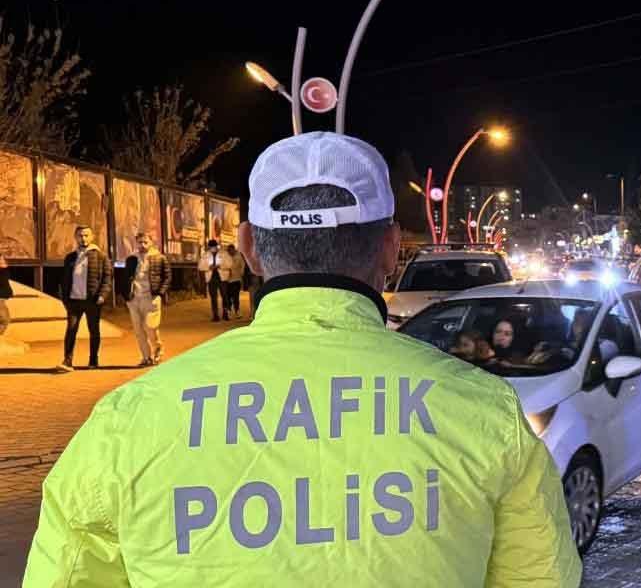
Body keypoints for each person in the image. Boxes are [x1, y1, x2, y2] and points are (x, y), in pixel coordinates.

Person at [25, 132, 581, 586]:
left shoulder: (132, 419)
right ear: (390, 248)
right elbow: (539, 577)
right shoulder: (484, 411)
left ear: (247, 246)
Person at [57, 226, 111, 372]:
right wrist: (65, 299)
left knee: (93, 330)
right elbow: (64, 279)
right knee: (71, 330)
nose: (83, 238)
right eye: (80, 235)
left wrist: (102, 295)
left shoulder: (101, 256)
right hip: (74, 301)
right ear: (75, 237)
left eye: (86, 235)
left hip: (92, 301)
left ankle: (93, 360)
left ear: (92, 236)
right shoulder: (70, 257)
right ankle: (67, 361)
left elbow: (107, 278)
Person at [122, 232, 171, 366]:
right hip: (134, 299)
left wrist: (160, 293)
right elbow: (126, 277)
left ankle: (157, 348)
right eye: (140, 242)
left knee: (150, 326)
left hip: (151, 297)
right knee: (138, 330)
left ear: (151, 242)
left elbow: (167, 277)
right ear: (136, 243)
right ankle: (146, 357)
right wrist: (127, 296)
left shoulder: (159, 258)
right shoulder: (131, 259)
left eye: (145, 242)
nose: (142, 245)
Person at [196, 239, 224, 321]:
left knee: (224, 296)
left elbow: (230, 263)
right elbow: (200, 266)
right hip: (211, 279)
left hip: (222, 278)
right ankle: (215, 315)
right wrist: (209, 267)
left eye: (214, 246)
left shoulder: (223, 254)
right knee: (213, 297)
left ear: (216, 246)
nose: (213, 248)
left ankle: (225, 313)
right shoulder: (205, 255)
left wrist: (220, 266)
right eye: (211, 247)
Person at [222, 243, 246, 319]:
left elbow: (242, 265)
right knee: (228, 296)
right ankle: (229, 311)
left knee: (236, 296)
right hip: (227, 280)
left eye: (231, 250)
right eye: (229, 251)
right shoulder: (226, 256)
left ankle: (237, 311)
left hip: (236, 279)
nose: (230, 252)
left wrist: (241, 273)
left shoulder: (239, 256)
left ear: (234, 249)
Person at [0, 253, 11, 337]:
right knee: (5, 319)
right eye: (1, 259)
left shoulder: (4, 271)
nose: (3, 261)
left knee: (5, 319)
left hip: (3, 299)